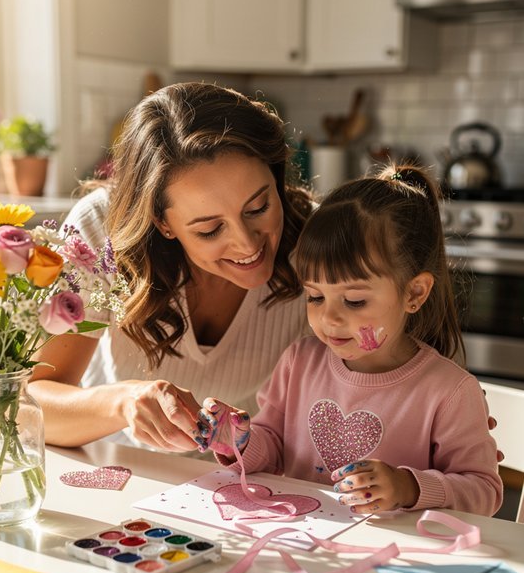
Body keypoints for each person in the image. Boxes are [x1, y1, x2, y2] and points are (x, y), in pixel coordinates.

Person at [195, 164, 503, 517]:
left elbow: (484, 491)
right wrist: (238, 441)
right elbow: (273, 447)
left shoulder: (449, 392)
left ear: (414, 293)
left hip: (396, 561)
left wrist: (407, 486)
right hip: (309, 550)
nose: (329, 318)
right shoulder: (299, 363)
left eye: (355, 301)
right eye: (315, 297)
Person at [28, 82, 313, 450]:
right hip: (123, 470)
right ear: (162, 222)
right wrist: (124, 401)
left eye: (258, 208)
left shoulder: (317, 246)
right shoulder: (100, 231)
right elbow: (29, 404)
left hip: (253, 476)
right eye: (210, 229)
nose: (247, 243)